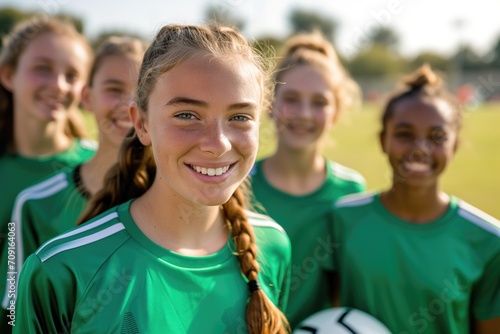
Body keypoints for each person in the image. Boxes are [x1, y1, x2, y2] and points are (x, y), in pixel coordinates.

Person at [13, 24, 291, 334]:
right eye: (187, 115)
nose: (218, 143)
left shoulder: (274, 246)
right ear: (141, 124)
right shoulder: (62, 269)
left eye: (239, 117)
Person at [330, 65, 500, 334]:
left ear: (454, 145)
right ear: (383, 140)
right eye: (404, 134)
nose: (420, 148)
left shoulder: (489, 240)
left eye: (437, 137)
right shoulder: (344, 219)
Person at [1, 36, 147, 317]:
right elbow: (13, 307)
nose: (129, 104)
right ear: (87, 97)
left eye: (141, 92)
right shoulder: (34, 203)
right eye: (114, 89)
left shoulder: (172, 194)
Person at [248, 31, 366, 328]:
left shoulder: (351, 193)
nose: (304, 113)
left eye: (319, 102)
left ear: (336, 112)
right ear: (270, 104)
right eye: (291, 98)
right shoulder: (238, 184)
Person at [0, 16, 94, 332]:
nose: (58, 85)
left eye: (72, 75)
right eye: (42, 68)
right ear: (9, 75)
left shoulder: (100, 167)